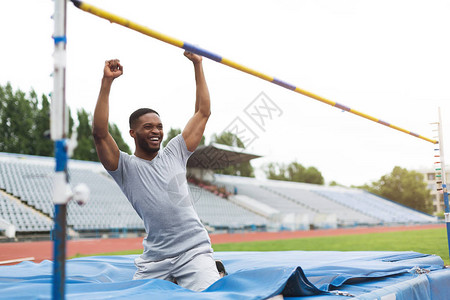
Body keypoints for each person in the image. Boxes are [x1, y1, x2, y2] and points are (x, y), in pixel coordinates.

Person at [92, 51, 220, 291]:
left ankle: (210, 269)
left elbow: (203, 112)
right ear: (133, 133)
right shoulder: (124, 167)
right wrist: (107, 82)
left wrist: (198, 64)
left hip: (193, 251)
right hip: (155, 260)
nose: (156, 131)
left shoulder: (176, 152)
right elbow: (100, 133)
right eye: (148, 127)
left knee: (209, 296)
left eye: (160, 127)